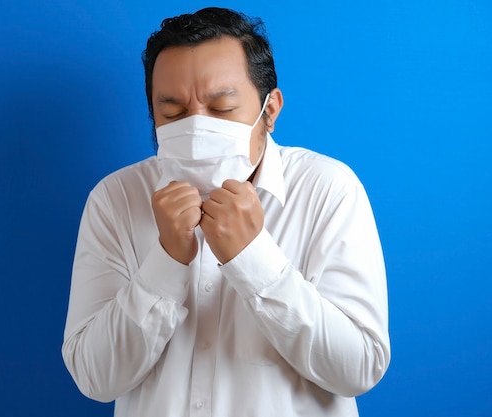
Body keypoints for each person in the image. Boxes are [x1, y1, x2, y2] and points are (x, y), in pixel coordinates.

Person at [62, 7, 390, 417]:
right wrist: (165, 260)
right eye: (174, 113)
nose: (197, 128)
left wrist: (253, 259)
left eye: (221, 110)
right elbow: (94, 378)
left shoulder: (328, 190)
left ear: (269, 111)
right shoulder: (116, 199)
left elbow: (360, 366)